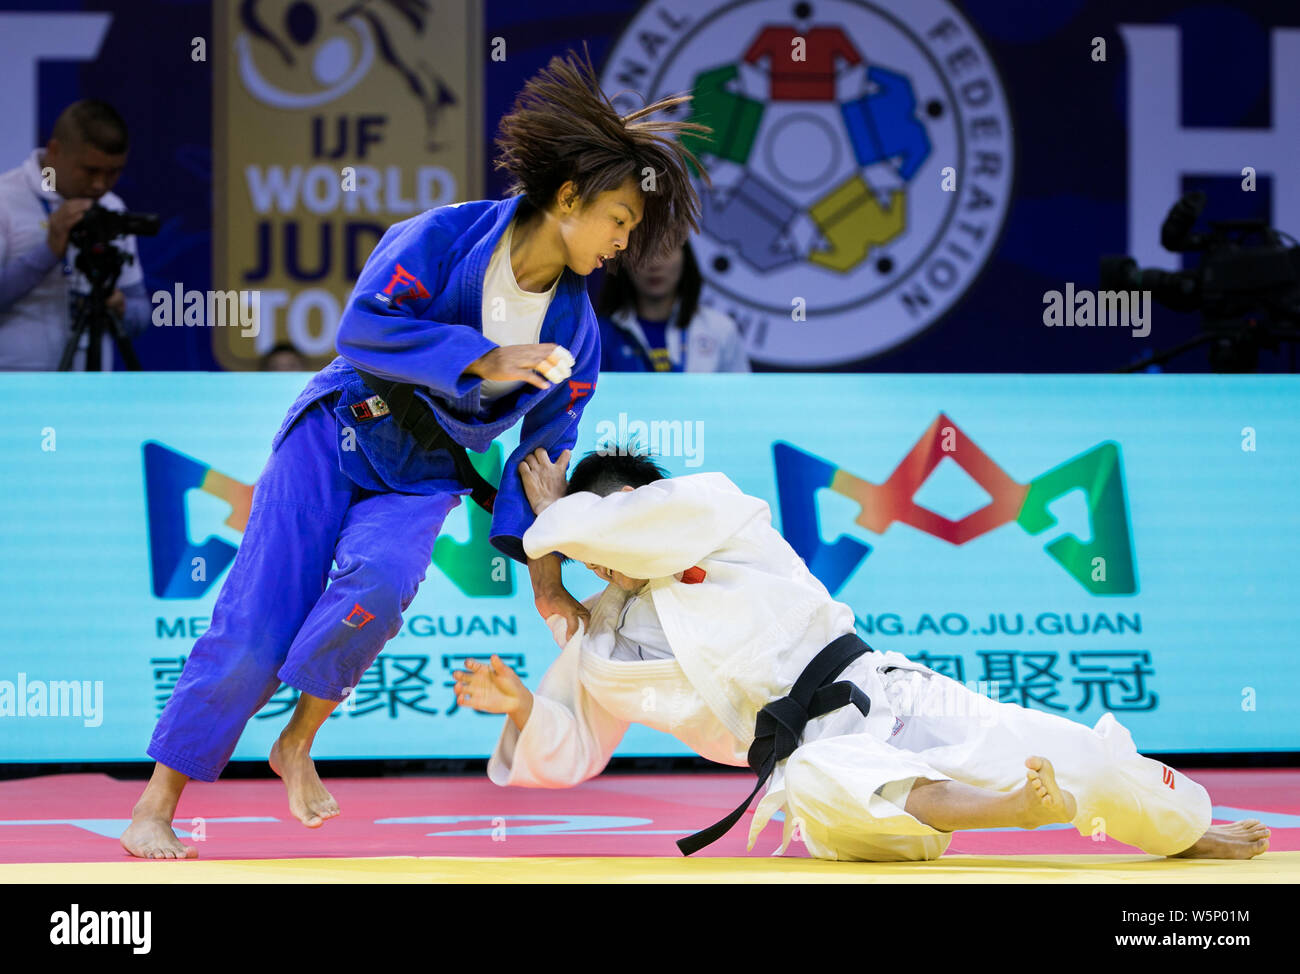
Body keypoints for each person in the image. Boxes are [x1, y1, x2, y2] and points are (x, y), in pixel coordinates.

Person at [120, 47, 711, 860]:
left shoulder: (576, 331)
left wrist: (550, 586)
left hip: (426, 470)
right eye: (618, 221)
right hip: (339, 431)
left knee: (383, 587)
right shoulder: (442, 235)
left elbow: (543, 465)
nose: (623, 243)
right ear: (570, 198)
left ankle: (296, 740)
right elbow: (360, 328)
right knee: (257, 620)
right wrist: (480, 357)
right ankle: (157, 803)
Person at [456, 447, 1271, 862]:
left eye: (624, 514)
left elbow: (643, 516)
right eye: (598, 533)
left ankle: (1185, 824)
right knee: (815, 773)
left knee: (1069, 751)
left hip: (888, 695)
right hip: (832, 786)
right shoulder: (603, 645)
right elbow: (570, 746)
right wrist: (525, 701)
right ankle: (1013, 811)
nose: (616, 538)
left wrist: (552, 530)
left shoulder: (723, 519)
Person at [0, 99, 151, 370]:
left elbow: (141, 315)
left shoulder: (111, 208)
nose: (99, 185)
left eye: (113, 172)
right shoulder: (5, 201)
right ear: (55, 151)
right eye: (90, 170)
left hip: (89, 397)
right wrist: (47, 253)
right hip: (15, 397)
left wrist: (120, 307)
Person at [595, 239, 748, 372]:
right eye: (643, 251)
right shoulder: (598, 334)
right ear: (623, 260)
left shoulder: (720, 330)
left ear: (685, 257)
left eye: (666, 249)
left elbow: (741, 400)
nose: (654, 263)